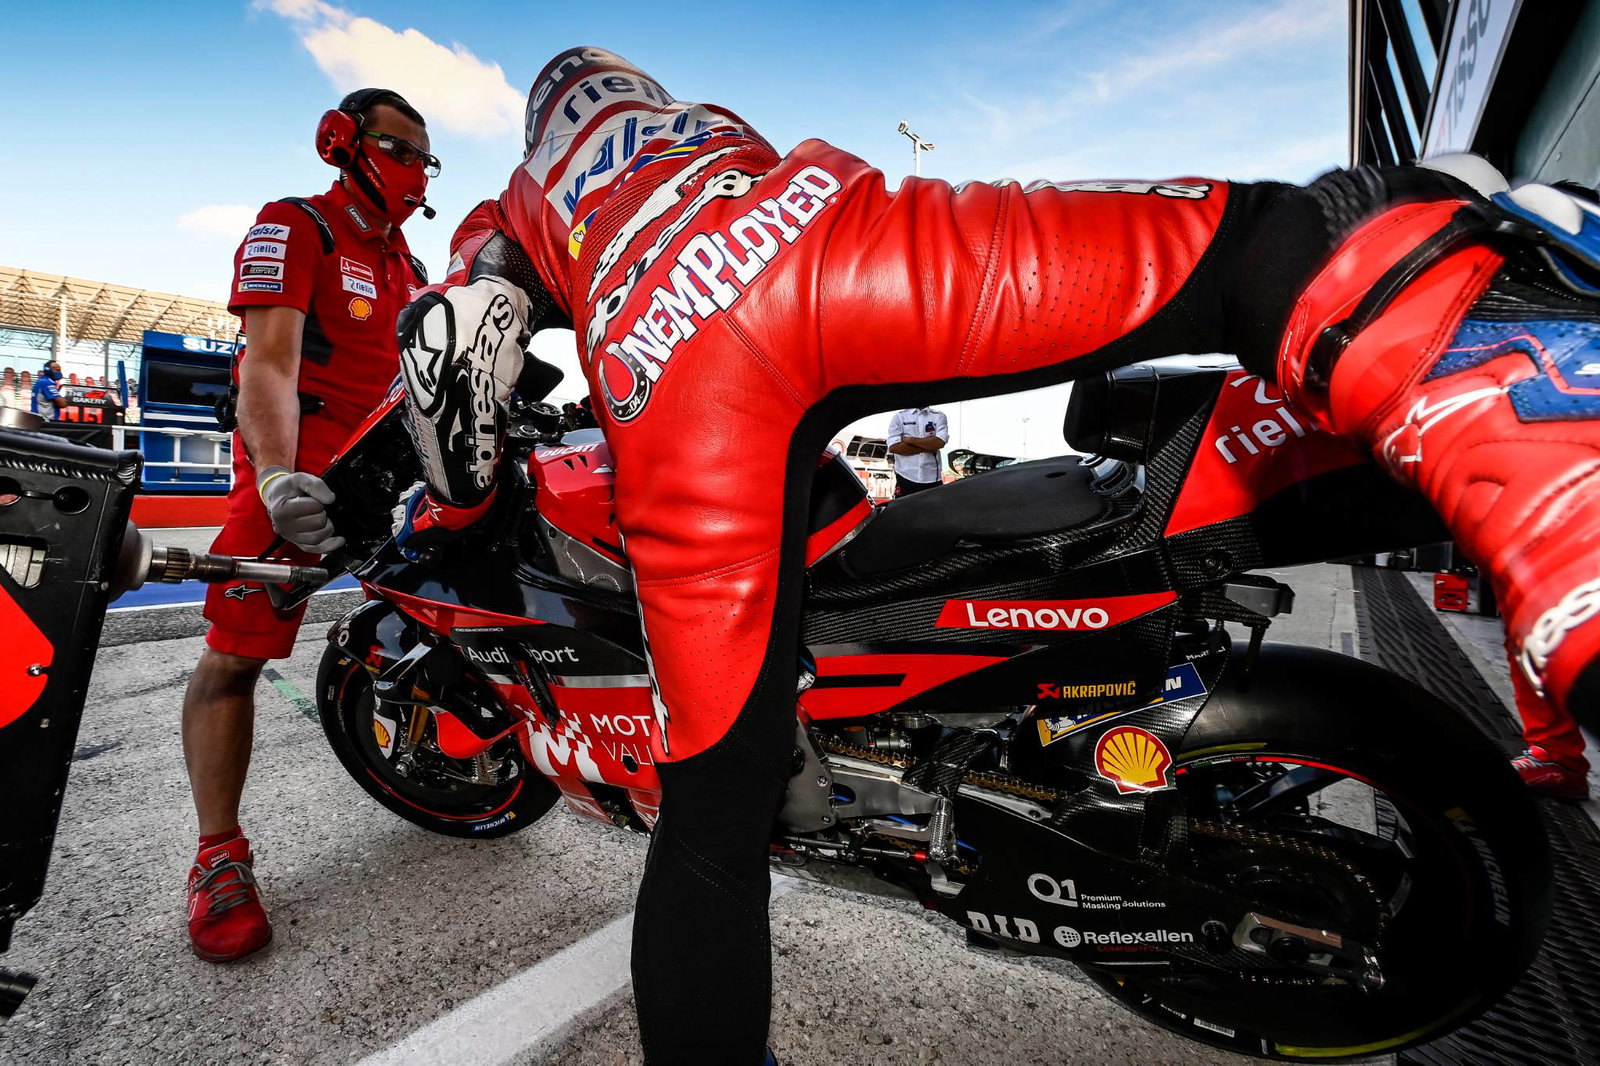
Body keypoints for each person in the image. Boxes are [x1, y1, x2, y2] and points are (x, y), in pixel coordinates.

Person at [274, 46, 1600, 1061]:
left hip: (686, 363)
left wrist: (449, 509)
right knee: (1264, 240)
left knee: (714, 826)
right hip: (832, 230)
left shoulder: (518, 201)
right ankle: (1517, 403)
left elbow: (455, 359)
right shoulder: (695, 134)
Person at [179, 87, 435, 962]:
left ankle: (446, 764)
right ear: (342, 142)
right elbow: (270, 365)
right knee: (232, 660)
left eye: (424, 159)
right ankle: (218, 855)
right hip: (301, 479)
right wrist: (282, 475)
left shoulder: (411, 265)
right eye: (402, 150)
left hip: (392, 480)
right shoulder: (297, 225)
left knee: (465, 614)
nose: (416, 172)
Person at [885, 406, 948, 496]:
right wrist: (928, 446)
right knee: (904, 510)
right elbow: (894, 447)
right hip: (905, 477)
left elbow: (940, 442)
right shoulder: (899, 417)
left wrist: (910, 440)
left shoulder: (939, 416)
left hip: (933, 479)